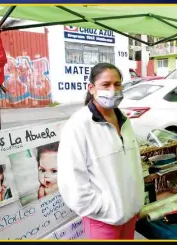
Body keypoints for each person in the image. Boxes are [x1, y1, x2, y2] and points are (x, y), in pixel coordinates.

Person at [57, 63, 144, 240]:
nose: (113, 90)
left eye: (117, 84)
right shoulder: (78, 125)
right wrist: (101, 209)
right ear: (91, 88)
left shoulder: (124, 121)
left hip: (129, 216)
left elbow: (133, 166)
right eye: (106, 84)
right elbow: (71, 180)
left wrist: (135, 203)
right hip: (103, 220)